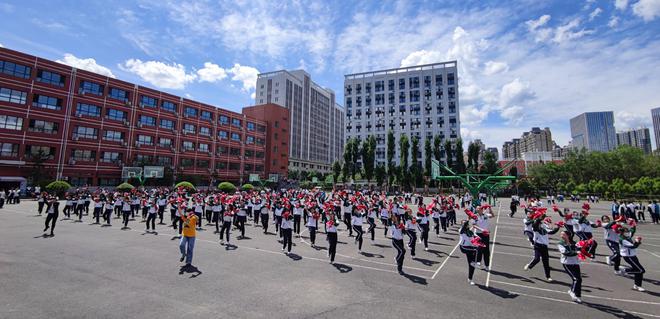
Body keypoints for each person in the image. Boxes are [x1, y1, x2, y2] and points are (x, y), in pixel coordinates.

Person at [524, 215, 560, 282]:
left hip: (545, 247)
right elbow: (535, 225)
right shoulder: (535, 228)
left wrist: (558, 227)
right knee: (537, 259)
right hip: (537, 245)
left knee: (546, 262)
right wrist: (539, 219)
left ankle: (548, 277)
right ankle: (529, 266)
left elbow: (552, 232)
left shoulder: (545, 228)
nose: (542, 224)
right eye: (540, 223)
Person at [619, 224, 646, 292]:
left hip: (633, 256)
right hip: (628, 256)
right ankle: (625, 270)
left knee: (638, 270)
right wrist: (637, 242)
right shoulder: (622, 239)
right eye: (626, 231)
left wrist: (633, 224)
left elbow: (632, 231)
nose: (627, 232)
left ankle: (637, 286)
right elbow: (633, 246)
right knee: (641, 270)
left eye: (627, 231)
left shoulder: (627, 236)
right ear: (622, 232)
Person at [557, 231, 582, 303]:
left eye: (563, 234)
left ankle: (578, 295)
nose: (561, 236)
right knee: (575, 279)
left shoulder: (574, 243)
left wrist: (582, 247)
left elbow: (579, 249)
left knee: (579, 279)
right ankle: (572, 292)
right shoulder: (560, 244)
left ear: (568, 235)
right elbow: (565, 253)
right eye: (561, 234)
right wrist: (576, 252)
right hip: (567, 263)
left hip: (575, 263)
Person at [459, 220, 478, 285]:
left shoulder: (470, 232)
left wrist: (478, 238)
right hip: (463, 247)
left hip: (470, 248)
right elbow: (464, 227)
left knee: (472, 265)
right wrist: (469, 218)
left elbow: (474, 238)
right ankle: (477, 261)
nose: (466, 225)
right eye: (464, 224)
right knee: (475, 249)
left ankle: (470, 279)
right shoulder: (461, 230)